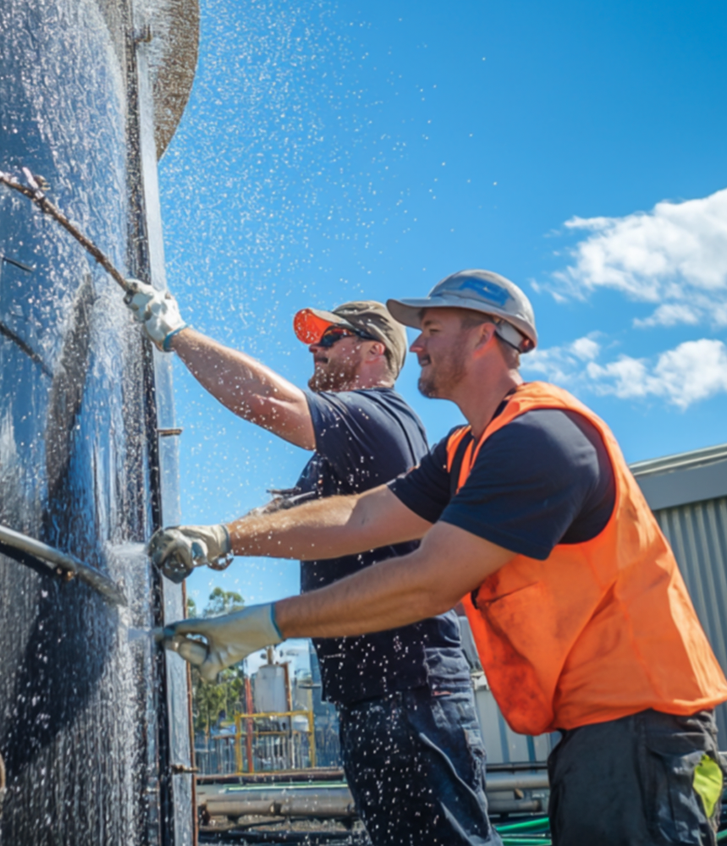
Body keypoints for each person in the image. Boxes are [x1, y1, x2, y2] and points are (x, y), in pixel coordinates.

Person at [150, 270, 727, 846]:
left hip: (645, 725)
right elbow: (361, 517)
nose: (418, 344)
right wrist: (222, 538)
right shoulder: (465, 450)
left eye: (430, 328)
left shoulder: (539, 437)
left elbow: (428, 583)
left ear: (485, 337)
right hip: (590, 729)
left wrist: (267, 624)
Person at [124, 280, 501, 846]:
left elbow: (267, 402)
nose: (314, 348)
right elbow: (310, 520)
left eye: (330, 337)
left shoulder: (379, 415)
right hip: (376, 701)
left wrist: (178, 336)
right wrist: (223, 537)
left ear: (375, 351)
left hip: (410, 697)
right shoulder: (338, 455)